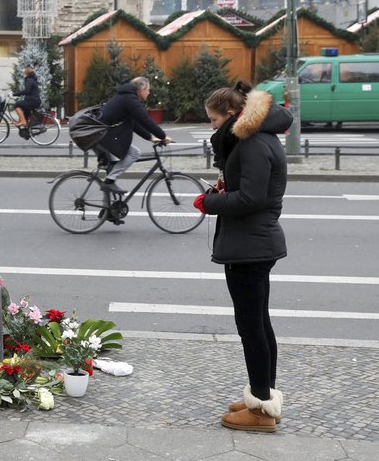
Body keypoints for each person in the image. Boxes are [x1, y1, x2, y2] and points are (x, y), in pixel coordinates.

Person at [193, 80, 292, 433]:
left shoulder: (251, 144)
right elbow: (249, 190)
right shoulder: (258, 139)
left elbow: (252, 199)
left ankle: (261, 412)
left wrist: (211, 202)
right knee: (259, 323)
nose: (212, 127)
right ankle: (261, 396)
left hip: (250, 246)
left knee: (252, 327)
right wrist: (224, 188)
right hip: (251, 243)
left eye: (214, 120)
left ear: (233, 115)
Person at [96, 76, 171, 193]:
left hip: (101, 134)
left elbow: (133, 123)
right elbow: (145, 120)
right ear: (141, 90)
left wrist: (151, 137)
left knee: (111, 171)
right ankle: (109, 181)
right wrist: (163, 136)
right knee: (134, 153)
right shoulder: (130, 99)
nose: (149, 93)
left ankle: (108, 208)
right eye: (148, 90)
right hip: (100, 136)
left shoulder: (126, 97)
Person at [10, 65, 41, 138]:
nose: (23, 71)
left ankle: (23, 121)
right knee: (25, 113)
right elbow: (29, 91)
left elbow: (27, 91)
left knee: (17, 105)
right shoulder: (32, 78)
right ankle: (26, 132)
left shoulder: (29, 79)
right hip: (33, 100)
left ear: (27, 71)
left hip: (32, 101)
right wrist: (17, 95)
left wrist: (14, 94)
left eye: (24, 70)